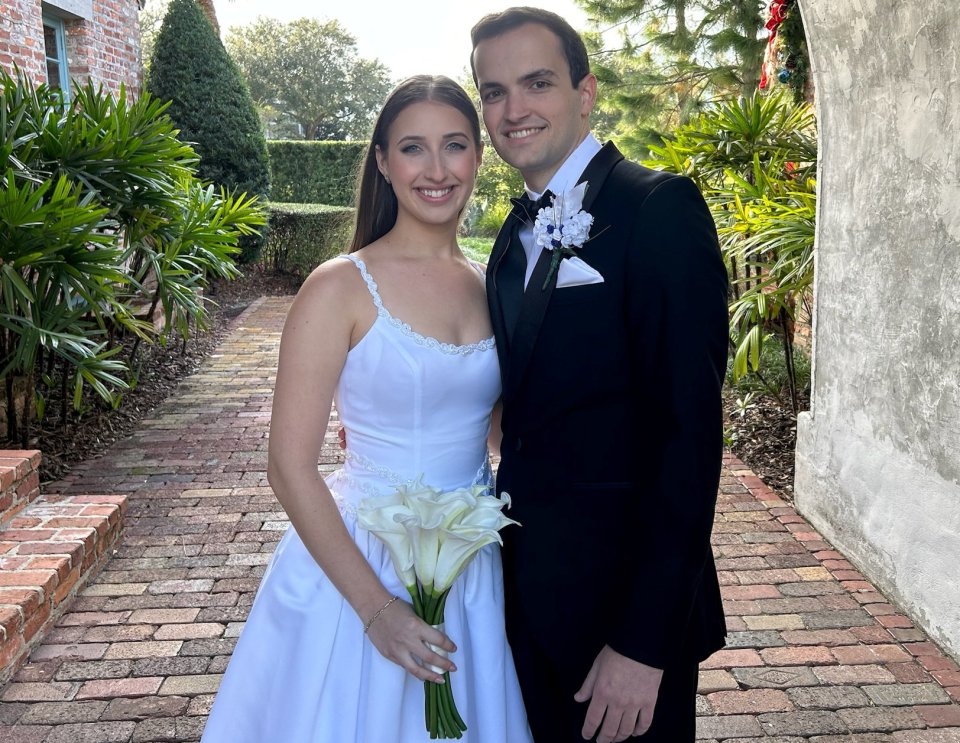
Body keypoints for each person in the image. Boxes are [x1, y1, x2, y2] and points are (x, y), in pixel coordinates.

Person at [200, 75, 533, 743]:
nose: (436, 170)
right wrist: (377, 609)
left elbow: (503, 427)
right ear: (382, 160)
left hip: (470, 564)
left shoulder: (494, 279)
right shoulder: (340, 287)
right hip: (364, 561)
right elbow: (289, 466)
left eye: (455, 146)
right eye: (413, 148)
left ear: (478, 157)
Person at [470, 8, 729, 743]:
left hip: (624, 626)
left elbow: (689, 441)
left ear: (584, 93)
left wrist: (644, 643)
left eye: (537, 83)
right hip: (524, 602)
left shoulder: (658, 209)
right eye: (494, 91)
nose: (513, 109)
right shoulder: (509, 239)